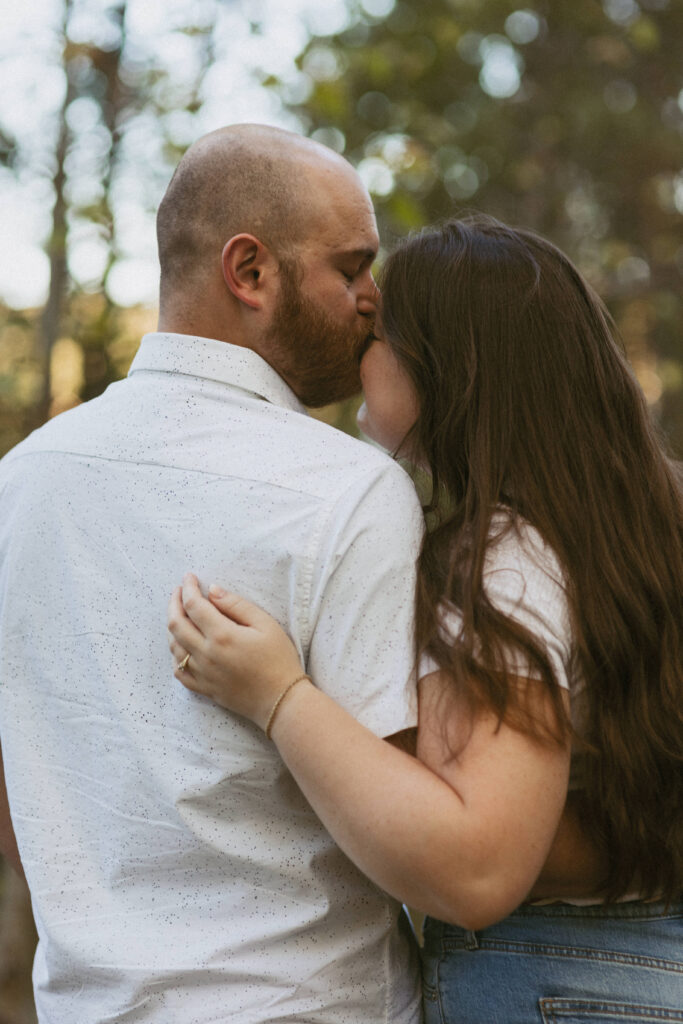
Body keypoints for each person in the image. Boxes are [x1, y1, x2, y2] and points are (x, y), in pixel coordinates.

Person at [168, 216, 683, 1021]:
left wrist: (277, 694)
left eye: (375, 334)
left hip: (547, 983)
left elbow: (474, 865)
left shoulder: (509, 557)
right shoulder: (642, 523)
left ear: (449, 367)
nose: (354, 355)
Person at [0, 124, 428, 1022]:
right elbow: (400, 833)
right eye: (350, 268)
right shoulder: (348, 492)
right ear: (251, 271)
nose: (372, 300)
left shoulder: (19, 484)